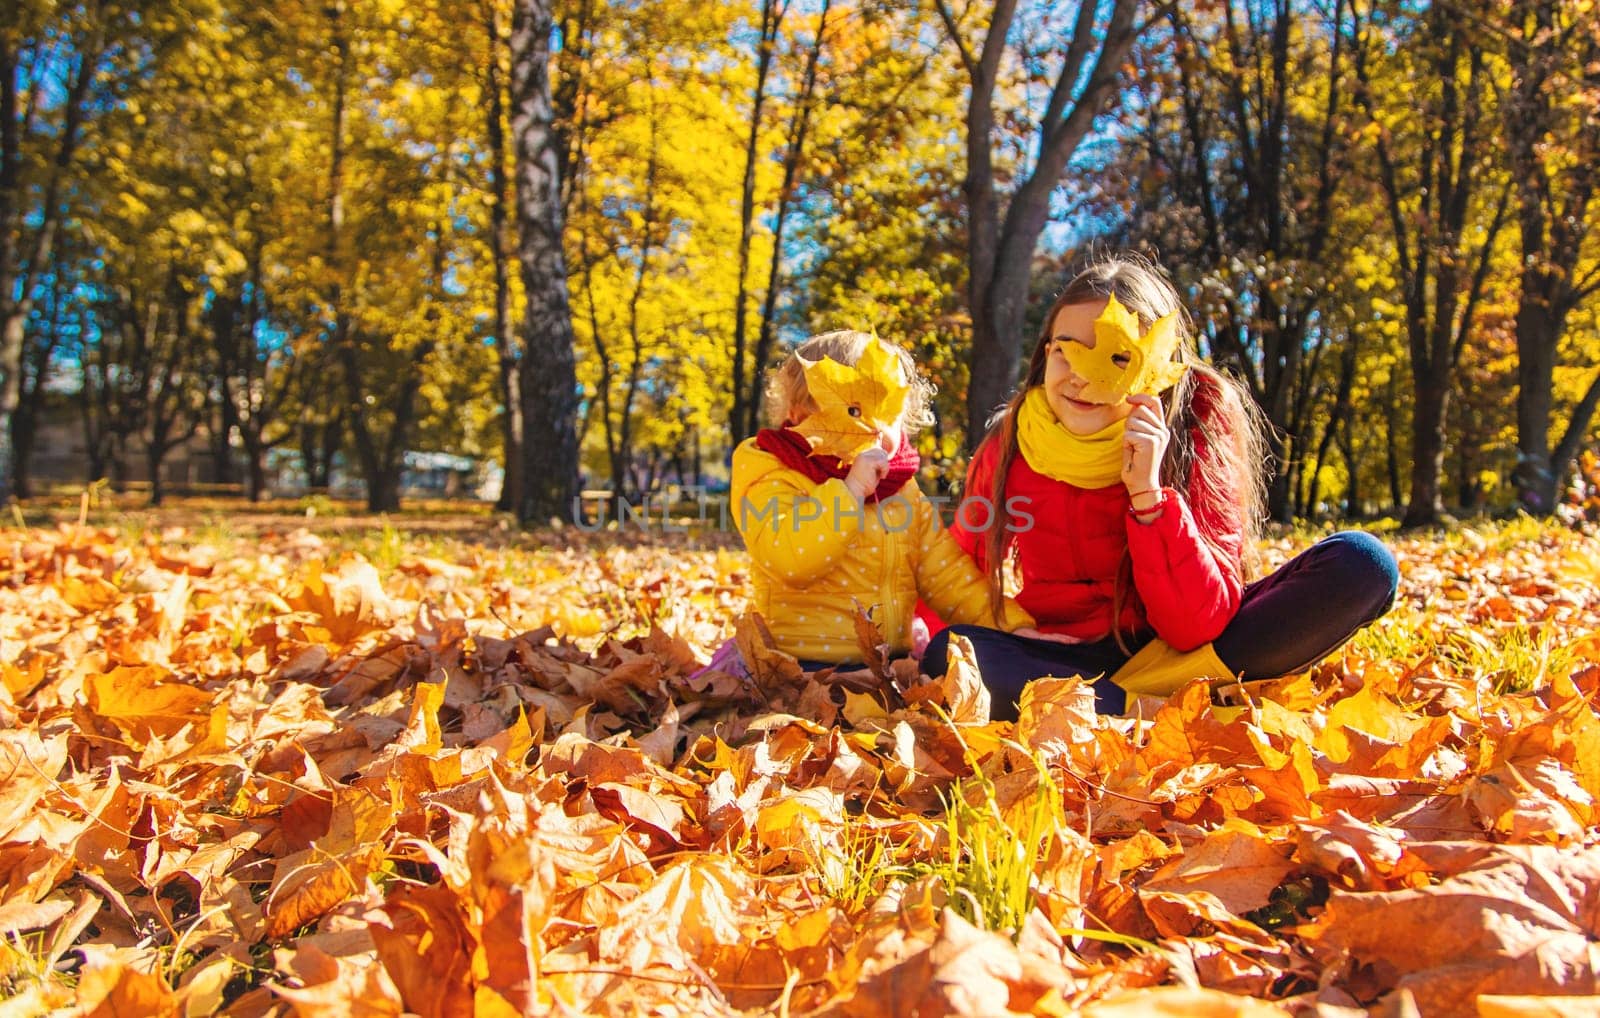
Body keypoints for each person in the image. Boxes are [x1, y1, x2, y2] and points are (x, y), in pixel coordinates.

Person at [922, 255, 1399, 718]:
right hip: (1061, 660)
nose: (1081, 376)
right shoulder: (1011, 441)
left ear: (1155, 368)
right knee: (949, 653)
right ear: (1045, 352)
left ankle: (1121, 706)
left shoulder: (1196, 418)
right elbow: (957, 570)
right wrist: (949, 633)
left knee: (1362, 563)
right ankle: (1159, 709)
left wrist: (1149, 498)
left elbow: (1198, 624)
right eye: (1065, 349)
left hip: (1193, 652)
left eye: (1114, 356)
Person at [726, 329, 1036, 669]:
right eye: (855, 412)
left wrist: (1011, 625)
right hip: (799, 664)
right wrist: (849, 492)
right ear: (800, 413)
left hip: (887, 663)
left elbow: (946, 576)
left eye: (888, 413)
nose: (876, 429)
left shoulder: (900, 488)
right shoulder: (774, 471)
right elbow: (790, 560)